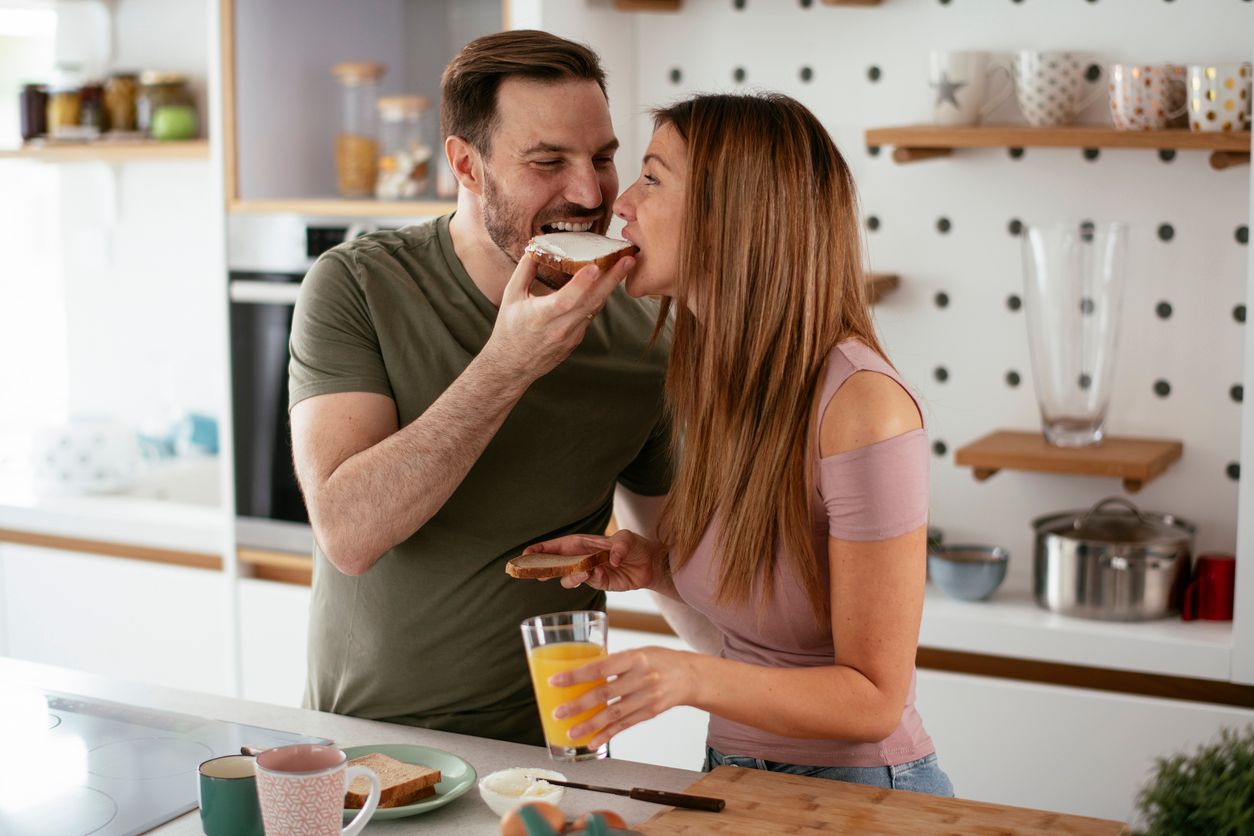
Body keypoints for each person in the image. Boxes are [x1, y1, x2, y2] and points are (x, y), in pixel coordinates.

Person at [524, 92, 955, 795]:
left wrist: (689, 676)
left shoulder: (863, 407)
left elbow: (874, 698)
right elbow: (781, 614)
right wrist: (658, 567)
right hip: (734, 777)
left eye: (653, 178)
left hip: (858, 792)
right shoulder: (718, 375)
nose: (620, 203)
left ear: (732, 214)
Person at [286, 30, 682, 746]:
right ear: (466, 165)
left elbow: (677, 561)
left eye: (601, 158)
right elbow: (347, 532)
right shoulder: (357, 285)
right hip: (370, 752)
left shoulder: (646, 331)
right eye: (548, 162)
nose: (590, 193)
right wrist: (508, 364)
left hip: (559, 755)